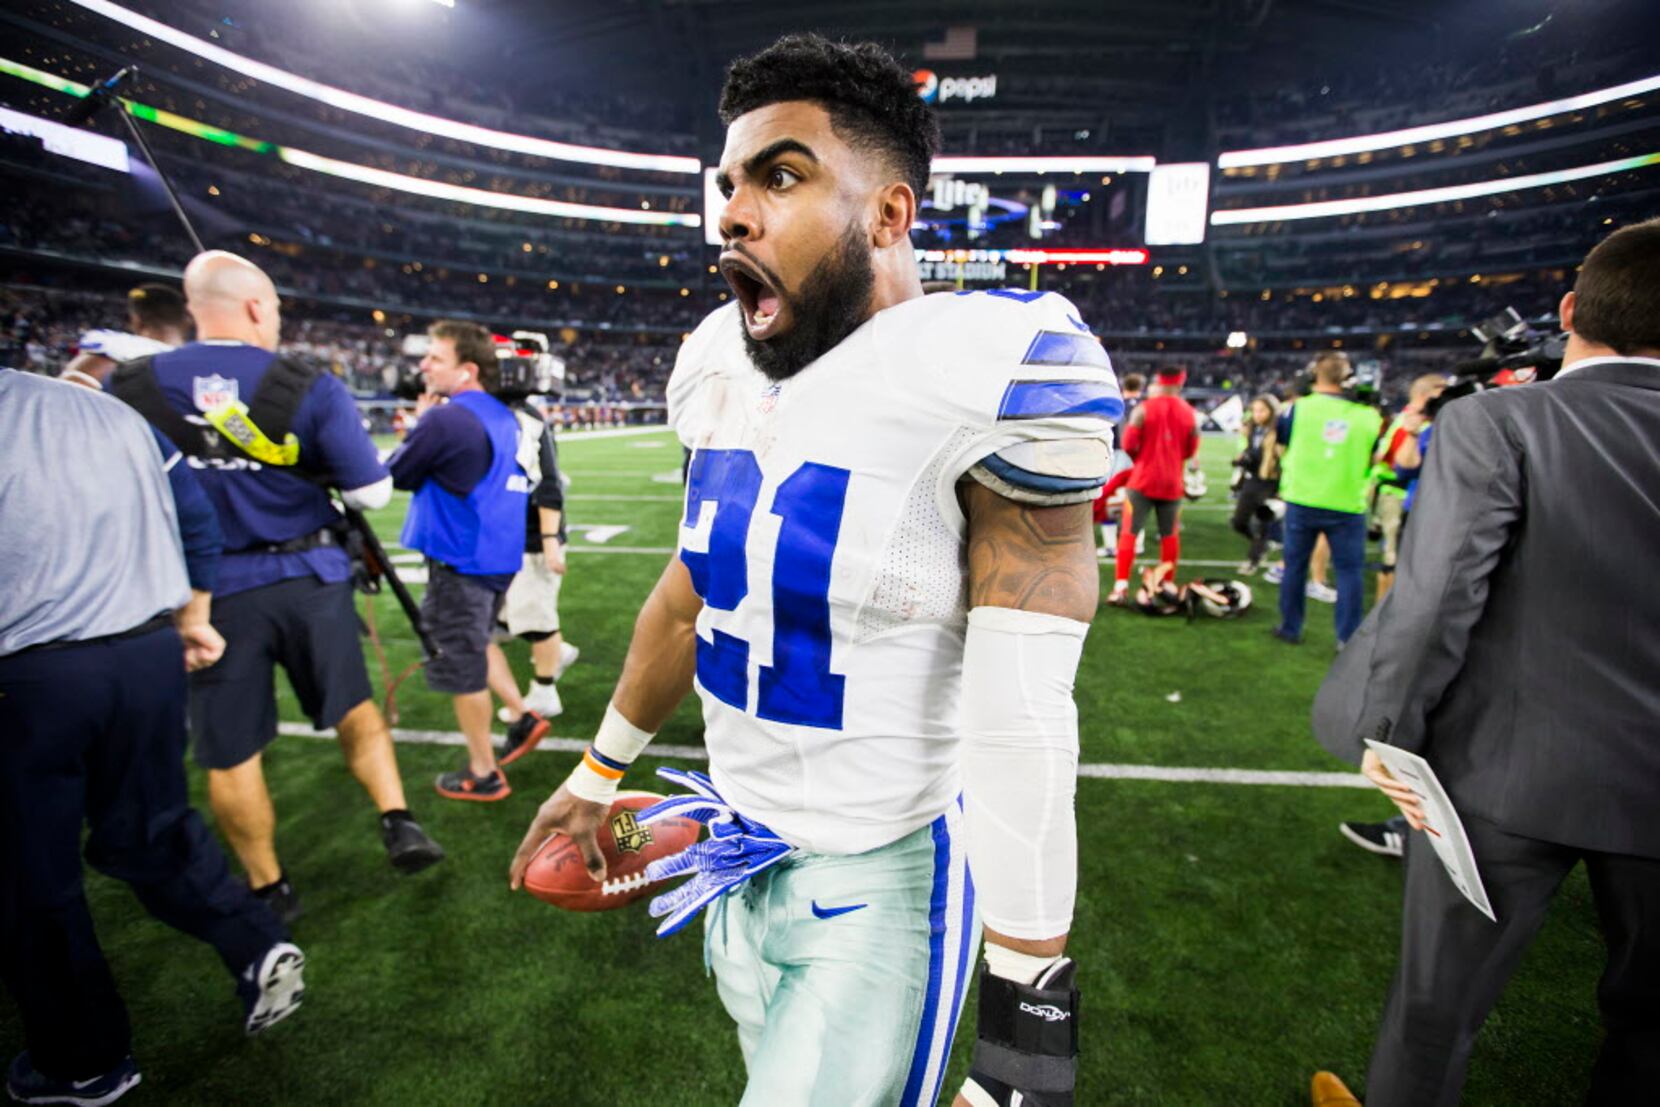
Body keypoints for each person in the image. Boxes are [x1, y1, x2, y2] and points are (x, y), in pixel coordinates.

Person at [510, 34, 1113, 1107]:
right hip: (734, 859)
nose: (733, 212)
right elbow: (691, 589)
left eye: (780, 176)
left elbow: (1023, 713)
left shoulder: (988, 363)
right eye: (731, 182)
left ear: (888, 213)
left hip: (883, 877)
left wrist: (1028, 1026)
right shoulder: (714, 358)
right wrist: (593, 772)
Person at [1312, 218, 1660, 1106]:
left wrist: (1387, 736)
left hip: (1504, 775)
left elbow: (1436, 599)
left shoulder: (1498, 421)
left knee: (1435, 1020)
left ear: (1570, 307)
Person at [108, 251, 444, 924]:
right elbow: (371, 490)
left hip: (203, 595)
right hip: (307, 577)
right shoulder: (306, 382)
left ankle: (269, 886)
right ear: (259, 307)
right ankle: (398, 820)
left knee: (230, 748)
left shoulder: (132, 384)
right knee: (353, 706)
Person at [0, 370, 305, 1106]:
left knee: (30, 878)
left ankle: (82, 1058)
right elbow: (197, 520)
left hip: (27, 670)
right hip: (144, 654)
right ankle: (254, 942)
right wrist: (195, 615)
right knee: (151, 829)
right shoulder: (101, 409)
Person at [388, 320, 530, 801]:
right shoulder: (501, 413)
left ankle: (484, 772)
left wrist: (418, 424)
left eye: (434, 358)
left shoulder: (446, 416)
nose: (424, 365)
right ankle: (522, 713)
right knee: (478, 639)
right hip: (495, 552)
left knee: (463, 661)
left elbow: (397, 474)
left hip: (461, 554)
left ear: (466, 370)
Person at [488, 395, 580, 763]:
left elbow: (547, 484)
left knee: (535, 617)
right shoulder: (501, 415)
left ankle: (544, 691)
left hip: (530, 538)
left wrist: (548, 541)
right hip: (507, 536)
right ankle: (558, 654)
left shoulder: (526, 420)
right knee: (511, 616)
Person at [1269, 352, 1382, 646]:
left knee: (1294, 566)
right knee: (1348, 573)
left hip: (1302, 498)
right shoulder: (1368, 415)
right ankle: (1347, 638)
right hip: (1347, 502)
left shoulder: (1297, 409)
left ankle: (1290, 628)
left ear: (1312, 375)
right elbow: (1375, 456)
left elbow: (1280, 447)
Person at [1109, 365, 1197, 606]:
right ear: (1180, 383)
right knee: (1169, 535)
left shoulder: (1143, 409)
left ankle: (1120, 587)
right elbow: (1191, 449)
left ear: (1159, 381)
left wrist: (1143, 462)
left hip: (1142, 481)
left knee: (1129, 532)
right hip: (1172, 484)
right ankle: (1166, 584)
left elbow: (1128, 444)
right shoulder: (1189, 413)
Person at [1369, 373, 1447, 597]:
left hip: (1402, 495)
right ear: (1425, 395)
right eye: (1441, 392)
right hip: (1400, 494)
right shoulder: (1413, 422)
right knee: (1396, 562)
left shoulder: (1416, 419)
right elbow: (1399, 465)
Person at [59, 283, 189, 390]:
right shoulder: (196, 363)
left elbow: (65, 395)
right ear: (187, 322)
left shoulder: (115, 350)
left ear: (136, 320)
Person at [1230, 393, 1281, 574]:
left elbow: (1283, 458)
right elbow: (1253, 454)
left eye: (1262, 410)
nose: (1257, 414)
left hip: (1272, 482)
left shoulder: (1279, 431)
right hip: (1254, 480)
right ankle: (1260, 544)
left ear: (1272, 411)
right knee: (1238, 522)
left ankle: (1254, 558)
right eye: (1255, 410)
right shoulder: (1253, 429)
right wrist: (1243, 460)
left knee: (1262, 523)